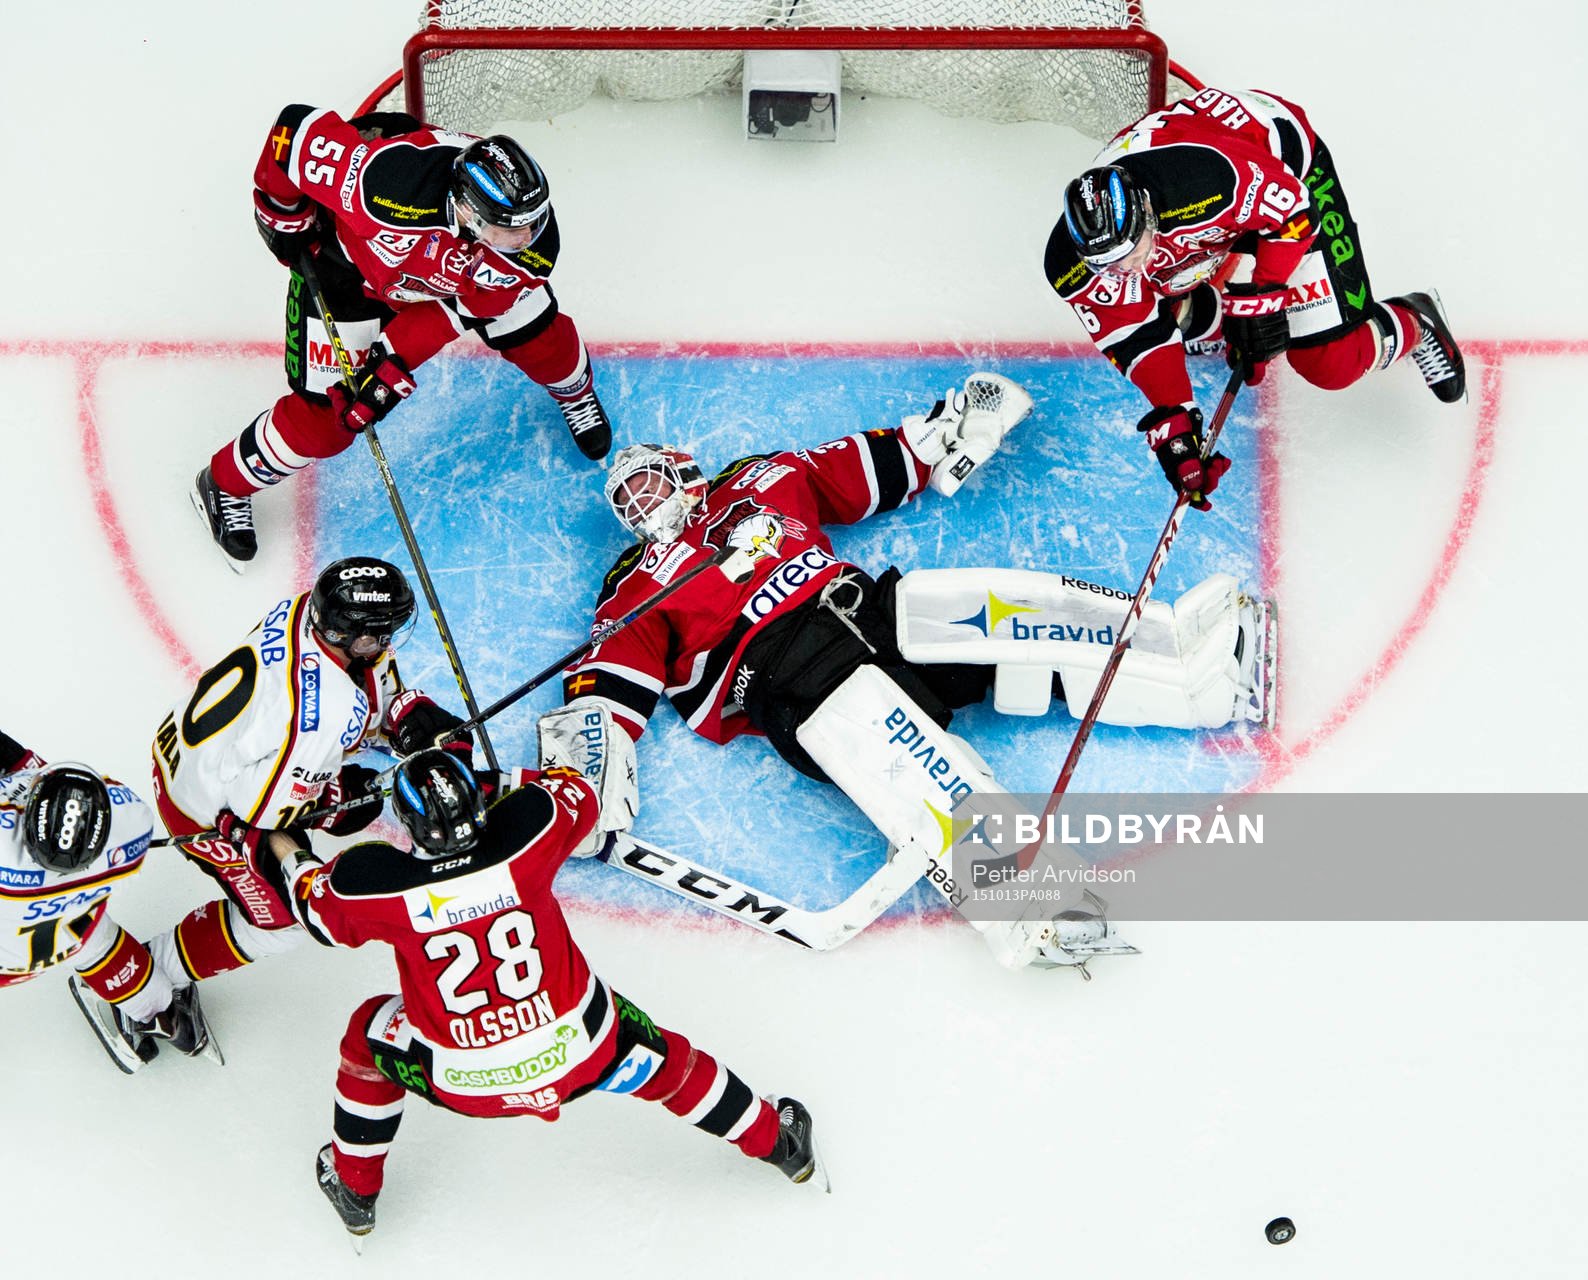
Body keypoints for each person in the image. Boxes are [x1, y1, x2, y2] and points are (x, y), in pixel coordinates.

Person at [545, 373, 1274, 972]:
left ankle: (1192, 669)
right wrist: (581, 779)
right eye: (628, 501)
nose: (643, 503)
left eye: (648, 482)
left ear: (682, 466)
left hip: (870, 608)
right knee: (911, 759)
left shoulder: (760, 480)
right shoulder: (636, 587)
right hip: (790, 676)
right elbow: (605, 689)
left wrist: (950, 430)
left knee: (1010, 608)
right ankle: (1029, 903)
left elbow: (864, 468)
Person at [252, 748, 822, 1246]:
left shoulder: (373, 881)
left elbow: (312, 904)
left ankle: (355, 1187)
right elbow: (575, 788)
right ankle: (780, 1143)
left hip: (466, 1085)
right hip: (584, 1054)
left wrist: (275, 840)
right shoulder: (526, 841)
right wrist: (483, 777)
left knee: (364, 1031)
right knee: (666, 1063)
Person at [193, 107, 612, 570]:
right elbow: (293, 133)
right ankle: (225, 481)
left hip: (439, 290)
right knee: (324, 421)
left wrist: (388, 364)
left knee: (543, 340)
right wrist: (282, 212)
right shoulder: (385, 183)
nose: (527, 236)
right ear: (468, 211)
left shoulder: (532, 249)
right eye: (511, 229)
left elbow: (458, 311)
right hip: (346, 274)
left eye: (533, 221)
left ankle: (575, 393)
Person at [1043, 86, 1466, 511]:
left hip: (1287, 177)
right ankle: (1210, 310)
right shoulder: (1070, 262)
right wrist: (1176, 428)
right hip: (1217, 202)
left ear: (1148, 213)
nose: (1128, 269)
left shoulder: (1207, 181)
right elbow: (1137, 336)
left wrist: (1263, 295)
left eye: (1133, 252)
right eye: (1109, 264)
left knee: (1330, 363)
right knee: (1159, 304)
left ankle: (1415, 319)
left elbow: (1296, 215)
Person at [145, 555, 472, 994]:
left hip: (190, 749)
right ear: (350, 635)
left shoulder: (305, 612)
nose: (389, 638)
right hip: (201, 804)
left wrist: (403, 716)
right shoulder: (323, 715)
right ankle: (153, 973)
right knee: (282, 923)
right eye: (382, 630)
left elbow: (354, 681)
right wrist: (337, 800)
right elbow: (260, 813)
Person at [0, 729, 218, 1072]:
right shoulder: (132, 824)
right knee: (91, 937)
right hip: (64, 933)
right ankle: (164, 1018)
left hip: (7, 961)